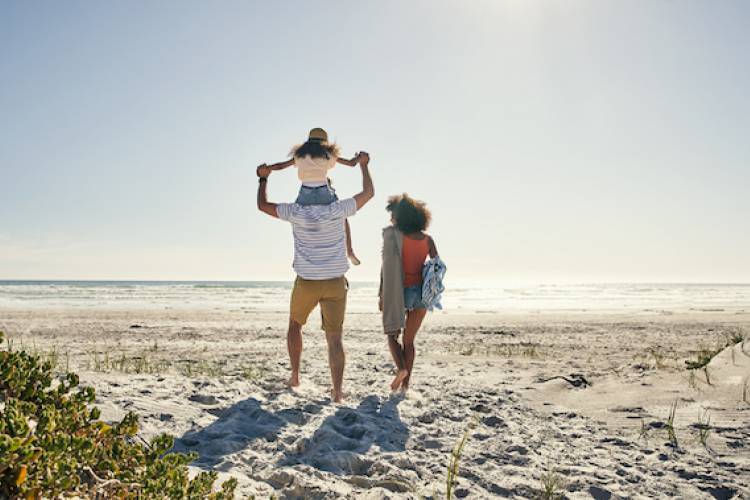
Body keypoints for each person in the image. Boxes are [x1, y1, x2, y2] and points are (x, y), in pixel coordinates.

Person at [256, 151, 374, 403]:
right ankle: (338, 393)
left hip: (307, 281)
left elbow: (262, 205)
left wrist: (263, 179)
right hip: (334, 282)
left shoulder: (295, 211)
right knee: (334, 339)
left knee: (295, 326)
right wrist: (363, 166)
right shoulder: (338, 210)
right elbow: (368, 193)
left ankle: (296, 375)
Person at [262, 127, 363, 265]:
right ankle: (350, 252)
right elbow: (351, 164)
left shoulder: (300, 156)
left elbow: (280, 166)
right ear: (325, 142)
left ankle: (299, 258)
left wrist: (268, 169)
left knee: (297, 220)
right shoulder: (328, 154)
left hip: (306, 192)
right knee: (342, 217)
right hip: (324, 192)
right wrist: (358, 159)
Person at [379, 194, 439, 392]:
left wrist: (382, 294)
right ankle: (405, 385)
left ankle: (402, 369)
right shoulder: (428, 239)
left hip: (399, 292)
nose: (391, 219)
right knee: (409, 341)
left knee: (392, 335)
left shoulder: (394, 236)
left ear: (401, 217)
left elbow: (386, 267)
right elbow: (437, 266)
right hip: (421, 293)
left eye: (394, 215)